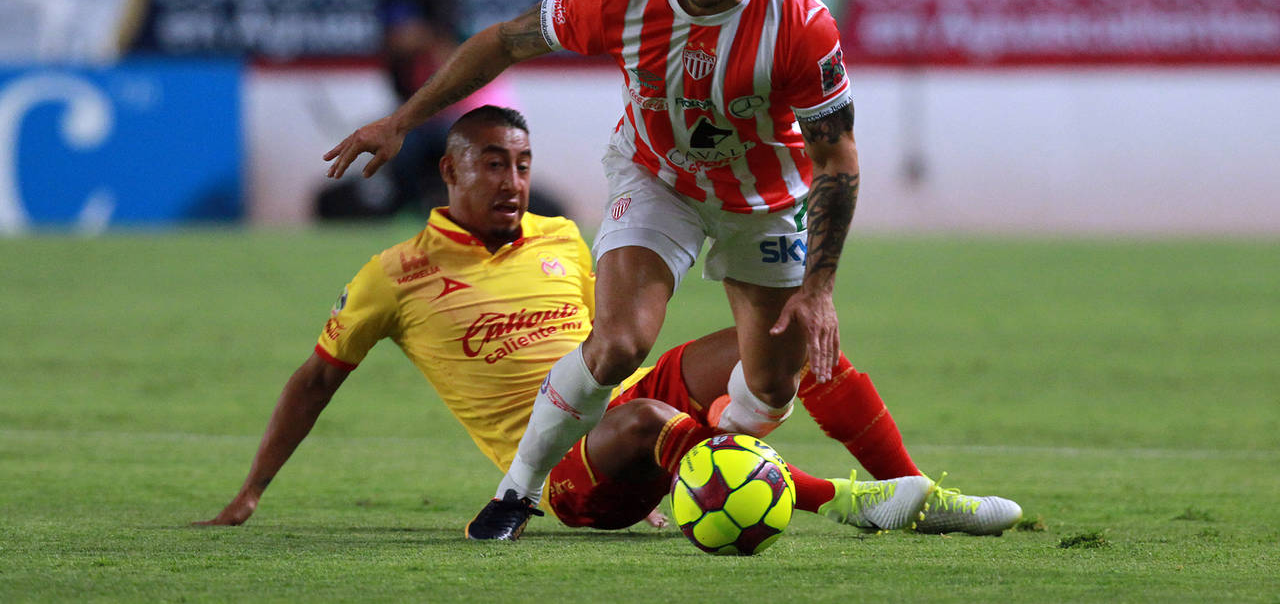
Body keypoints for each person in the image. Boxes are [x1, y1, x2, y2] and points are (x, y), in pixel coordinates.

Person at [324, 0, 911, 539]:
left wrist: (820, 286)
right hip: (658, 176)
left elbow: (836, 157)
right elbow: (504, 42)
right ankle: (517, 491)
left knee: (773, 384)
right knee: (618, 344)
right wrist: (402, 120)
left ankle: (712, 466)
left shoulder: (801, 22)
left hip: (765, 200)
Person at [205, 106, 1021, 537]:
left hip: (633, 412)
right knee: (645, 418)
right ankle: (844, 502)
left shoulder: (560, 237)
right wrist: (250, 492)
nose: (513, 181)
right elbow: (315, 381)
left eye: (522, 164)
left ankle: (914, 495)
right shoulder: (394, 275)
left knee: (787, 335)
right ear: (448, 171)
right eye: (493, 164)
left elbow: (609, 344)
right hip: (571, 476)